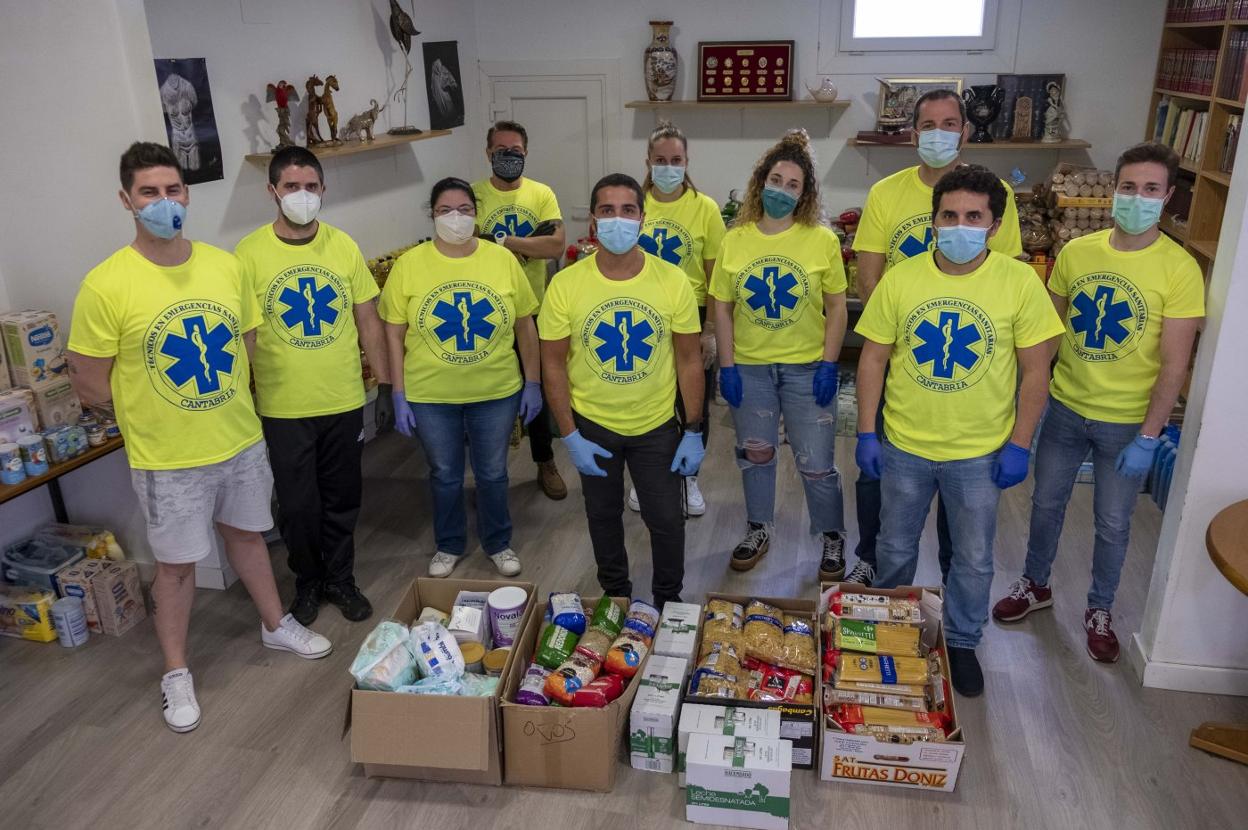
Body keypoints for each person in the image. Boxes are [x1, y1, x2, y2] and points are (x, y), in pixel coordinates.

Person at [66, 142, 332, 734]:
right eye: (149, 193)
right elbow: (87, 379)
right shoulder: (107, 284)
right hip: (169, 457)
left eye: (173, 190)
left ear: (187, 193)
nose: (165, 203)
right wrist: (155, 411)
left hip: (237, 438)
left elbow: (247, 341)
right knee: (177, 567)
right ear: (126, 201)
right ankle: (176, 671)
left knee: (249, 537)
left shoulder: (223, 264)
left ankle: (274, 624)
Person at [855, 164, 1064, 697]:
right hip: (904, 445)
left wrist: (1020, 444)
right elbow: (873, 359)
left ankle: (964, 642)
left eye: (974, 216)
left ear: (994, 226)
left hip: (979, 453)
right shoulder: (902, 278)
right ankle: (888, 632)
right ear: (933, 220)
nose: (960, 225)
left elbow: (1037, 370)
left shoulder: (1019, 282)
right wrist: (865, 432)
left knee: (972, 560)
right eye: (949, 215)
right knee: (894, 548)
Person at [992, 142, 1205, 663]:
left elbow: (1175, 365)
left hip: (1127, 423)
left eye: (1150, 189)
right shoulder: (1076, 253)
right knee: (1045, 504)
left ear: (1168, 196)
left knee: (1112, 522)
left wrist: (1150, 437)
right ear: (1114, 189)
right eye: (1128, 186)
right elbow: (1048, 334)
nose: (1136, 197)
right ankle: (1034, 585)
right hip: (1066, 407)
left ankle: (1100, 608)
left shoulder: (1180, 269)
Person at [847, 89, 1025, 587]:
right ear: (913, 134)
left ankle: (953, 577)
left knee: (962, 492)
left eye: (951, 123)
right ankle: (872, 556)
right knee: (882, 474)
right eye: (929, 124)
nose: (940, 132)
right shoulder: (886, 193)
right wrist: (900, 335)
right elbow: (869, 277)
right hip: (904, 354)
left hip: (967, 351)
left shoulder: (996, 196)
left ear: (966, 132)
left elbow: (1004, 275)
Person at [234, 146, 391, 626]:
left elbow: (368, 318)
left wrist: (383, 383)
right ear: (272, 192)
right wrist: (244, 400)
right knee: (299, 506)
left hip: (342, 399)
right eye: (291, 187)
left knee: (343, 497)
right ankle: (307, 582)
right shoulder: (248, 253)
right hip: (283, 407)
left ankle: (341, 579)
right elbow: (246, 335)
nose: (302, 196)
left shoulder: (342, 245)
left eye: (311, 187)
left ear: (323, 190)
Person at [539, 173, 704, 608]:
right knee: (603, 518)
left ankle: (669, 602)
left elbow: (689, 359)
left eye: (627, 210)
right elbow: (552, 363)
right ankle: (616, 599)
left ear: (643, 219)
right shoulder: (566, 285)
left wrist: (693, 428)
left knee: (667, 520)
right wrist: (569, 435)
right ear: (593, 220)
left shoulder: (672, 281)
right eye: (607, 211)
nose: (618, 220)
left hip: (657, 426)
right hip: (593, 425)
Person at [380, 177, 541, 578]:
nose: (456, 218)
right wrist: (397, 392)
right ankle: (449, 544)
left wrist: (533, 382)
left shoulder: (501, 259)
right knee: (445, 474)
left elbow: (525, 325)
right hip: (430, 393)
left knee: (492, 472)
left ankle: (498, 542)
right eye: (445, 210)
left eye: (465, 210)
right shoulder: (410, 265)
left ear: (477, 213)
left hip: (496, 390)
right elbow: (393, 331)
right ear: (431, 215)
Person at [710, 130, 850, 580]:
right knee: (756, 453)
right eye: (776, 179)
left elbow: (836, 308)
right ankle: (758, 528)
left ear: (805, 193)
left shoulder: (821, 241)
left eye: (793, 184)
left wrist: (830, 363)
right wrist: (727, 365)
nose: (782, 190)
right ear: (759, 182)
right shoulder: (736, 240)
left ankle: (831, 536)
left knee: (816, 461)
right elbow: (722, 308)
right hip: (750, 369)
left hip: (807, 367)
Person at [625, 121, 725, 518]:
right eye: (660, 160)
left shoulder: (705, 208)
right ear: (648, 161)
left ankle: (689, 476)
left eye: (676, 160)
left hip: (691, 315)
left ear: (687, 162)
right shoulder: (633, 205)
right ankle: (644, 476)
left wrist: (712, 330)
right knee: (647, 396)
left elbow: (716, 276)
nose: (668, 167)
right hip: (639, 313)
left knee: (691, 398)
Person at [472, 120, 568, 501]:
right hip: (488, 312)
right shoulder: (473, 196)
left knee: (538, 389)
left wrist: (500, 242)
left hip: (536, 308)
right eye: (500, 151)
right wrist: (531, 242)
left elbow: (555, 247)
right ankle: (488, 472)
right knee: (491, 394)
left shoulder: (541, 194)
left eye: (515, 151)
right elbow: (469, 250)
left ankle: (545, 461)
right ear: (487, 153)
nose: (508, 157)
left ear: (526, 153)